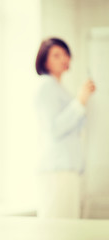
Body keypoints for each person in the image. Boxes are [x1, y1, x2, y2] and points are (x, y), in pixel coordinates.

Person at [34, 37, 96, 218]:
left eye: (66, 54)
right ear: (44, 60)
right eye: (56, 55)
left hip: (67, 168)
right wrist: (80, 101)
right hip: (57, 169)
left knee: (66, 228)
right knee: (57, 228)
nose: (64, 59)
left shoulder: (58, 87)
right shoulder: (46, 86)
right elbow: (54, 129)